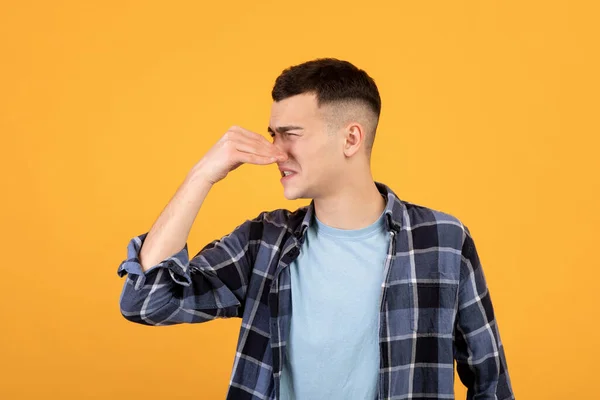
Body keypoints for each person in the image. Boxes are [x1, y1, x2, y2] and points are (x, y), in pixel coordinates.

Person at [117, 58, 514, 400]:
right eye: (274, 135)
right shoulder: (264, 242)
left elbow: (490, 384)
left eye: (291, 134)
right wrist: (201, 176)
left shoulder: (442, 241)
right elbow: (147, 301)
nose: (275, 151)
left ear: (351, 138)